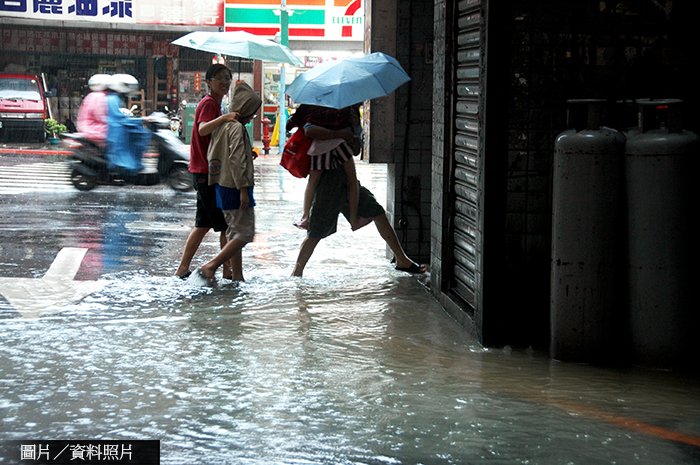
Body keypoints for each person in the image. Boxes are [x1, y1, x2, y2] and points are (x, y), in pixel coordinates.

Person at [290, 109, 427, 277]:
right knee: (315, 233)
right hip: (330, 189)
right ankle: (297, 272)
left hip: (340, 187)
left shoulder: (336, 133)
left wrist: (354, 132)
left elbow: (352, 157)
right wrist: (353, 217)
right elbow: (349, 180)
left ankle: (401, 258)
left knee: (377, 212)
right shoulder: (328, 129)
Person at [174, 64, 240, 280]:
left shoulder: (215, 105)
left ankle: (182, 268)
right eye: (219, 78)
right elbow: (203, 128)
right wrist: (225, 118)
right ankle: (227, 270)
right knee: (225, 226)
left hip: (203, 171)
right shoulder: (210, 103)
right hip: (206, 173)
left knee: (202, 224)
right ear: (209, 82)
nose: (224, 82)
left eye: (227, 78)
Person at [197, 81, 261, 283]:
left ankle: (238, 277)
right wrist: (243, 188)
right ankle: (211, 266)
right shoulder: (237, 128)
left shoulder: (222, 125)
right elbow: (236, 160)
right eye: (252, 113)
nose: (253, 117)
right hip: (235, 187)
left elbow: (220, 154)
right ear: (245, 111)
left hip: (221, 186)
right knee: (245, 234)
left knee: (234, 233)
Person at [287, 104, 365, 231]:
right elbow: (354, 138)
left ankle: (305, 218)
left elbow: (295, 125)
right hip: (340, 146)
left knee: (312, 182)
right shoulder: (347, 106)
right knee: (352, 181)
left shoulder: (312, 104)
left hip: (318, 148)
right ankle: (354, 219)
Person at [103, 74, 151, 173]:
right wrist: (141, 120)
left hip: (118, 127)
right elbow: (119, 119)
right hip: (116, 131)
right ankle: (129, 165)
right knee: (140, 134)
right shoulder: (113, 99)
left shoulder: (115, 98)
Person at [76, 74, 110, 146]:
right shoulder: (100, 96)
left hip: (85, 130)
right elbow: (101, 116)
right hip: (95, 132)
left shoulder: (90, 95)